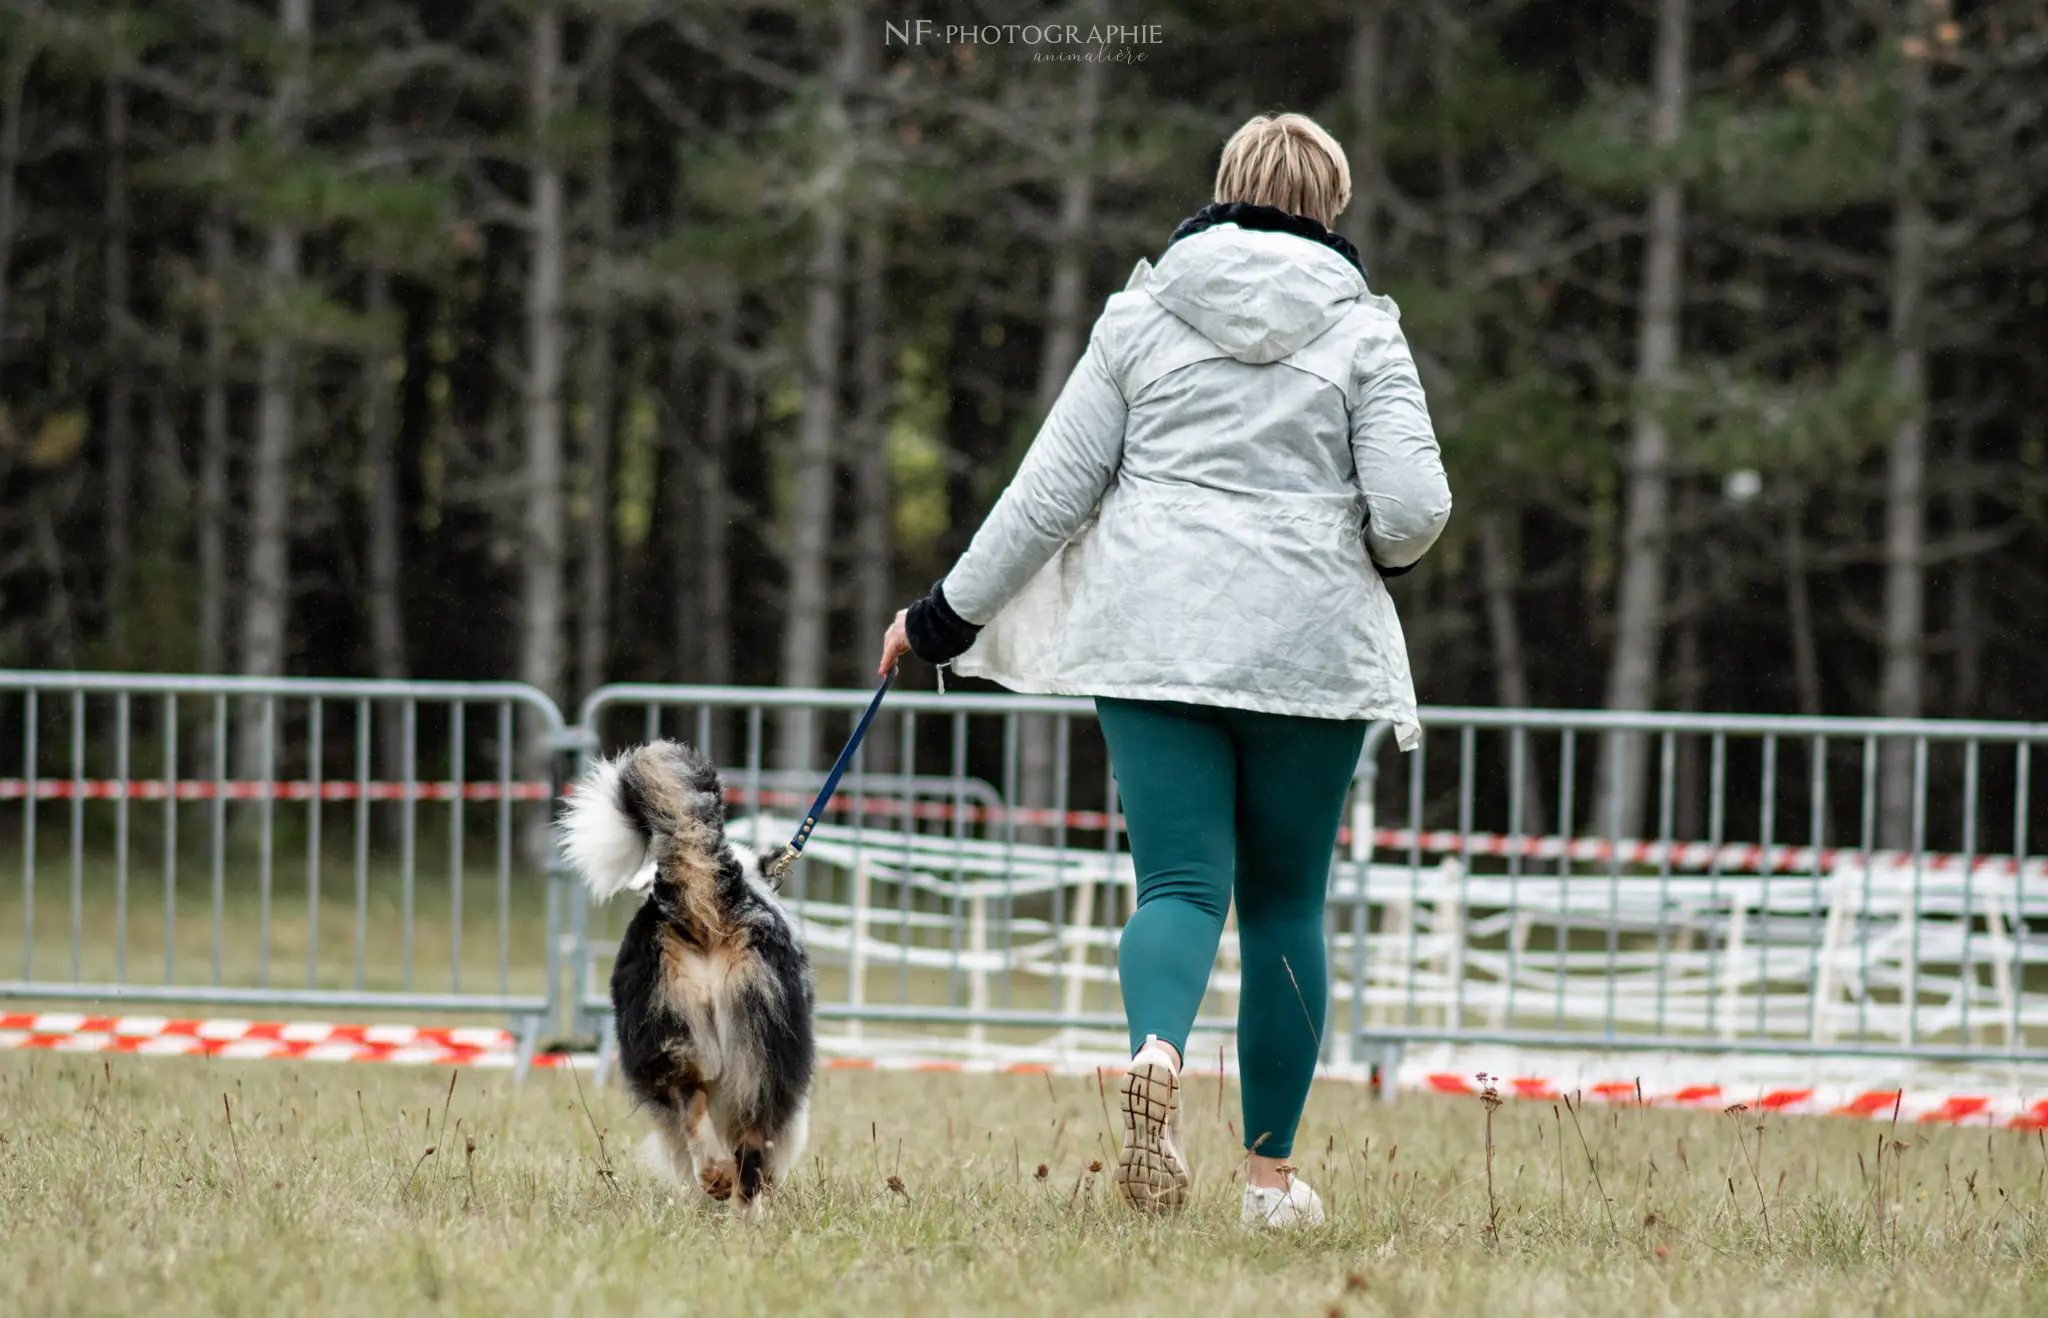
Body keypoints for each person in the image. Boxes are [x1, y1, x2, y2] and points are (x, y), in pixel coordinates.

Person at [875, 112, 1451, 1229]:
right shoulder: (1362, 333)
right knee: (1283, 904)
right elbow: (1417, 508)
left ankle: (1153, 1049)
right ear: (1329, 206)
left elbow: (1048, 494)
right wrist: (1368, 547)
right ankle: (1269, 1183)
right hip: (1304, 649)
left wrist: (941, 619)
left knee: (1178, 886)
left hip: (1155, 640)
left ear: (1221, 188)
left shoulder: (1141, 319)